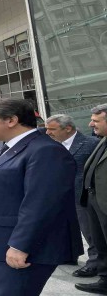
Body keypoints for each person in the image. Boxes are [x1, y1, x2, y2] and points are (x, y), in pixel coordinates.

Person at [0, 99, 81, 296]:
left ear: (11, 120)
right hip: (5, 242)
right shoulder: (13, 146)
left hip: (27, 249)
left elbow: (42, 204)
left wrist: (20, 245)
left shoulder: (45, 151)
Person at [44, 114, 99, 276]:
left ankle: (95, 264)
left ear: (68, 128)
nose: (48, 133)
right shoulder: (50, 144)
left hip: (82, 197)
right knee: (64, 229)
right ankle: (68, 255)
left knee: (90, 232)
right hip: (59, 197)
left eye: (52, 129)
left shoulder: (91, 144)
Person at [76, 104, 107, 294]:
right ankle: (105, 279)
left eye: (96, 121)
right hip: (95, 201)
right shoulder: (102, 140)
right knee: (101, 243)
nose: (90, 124)